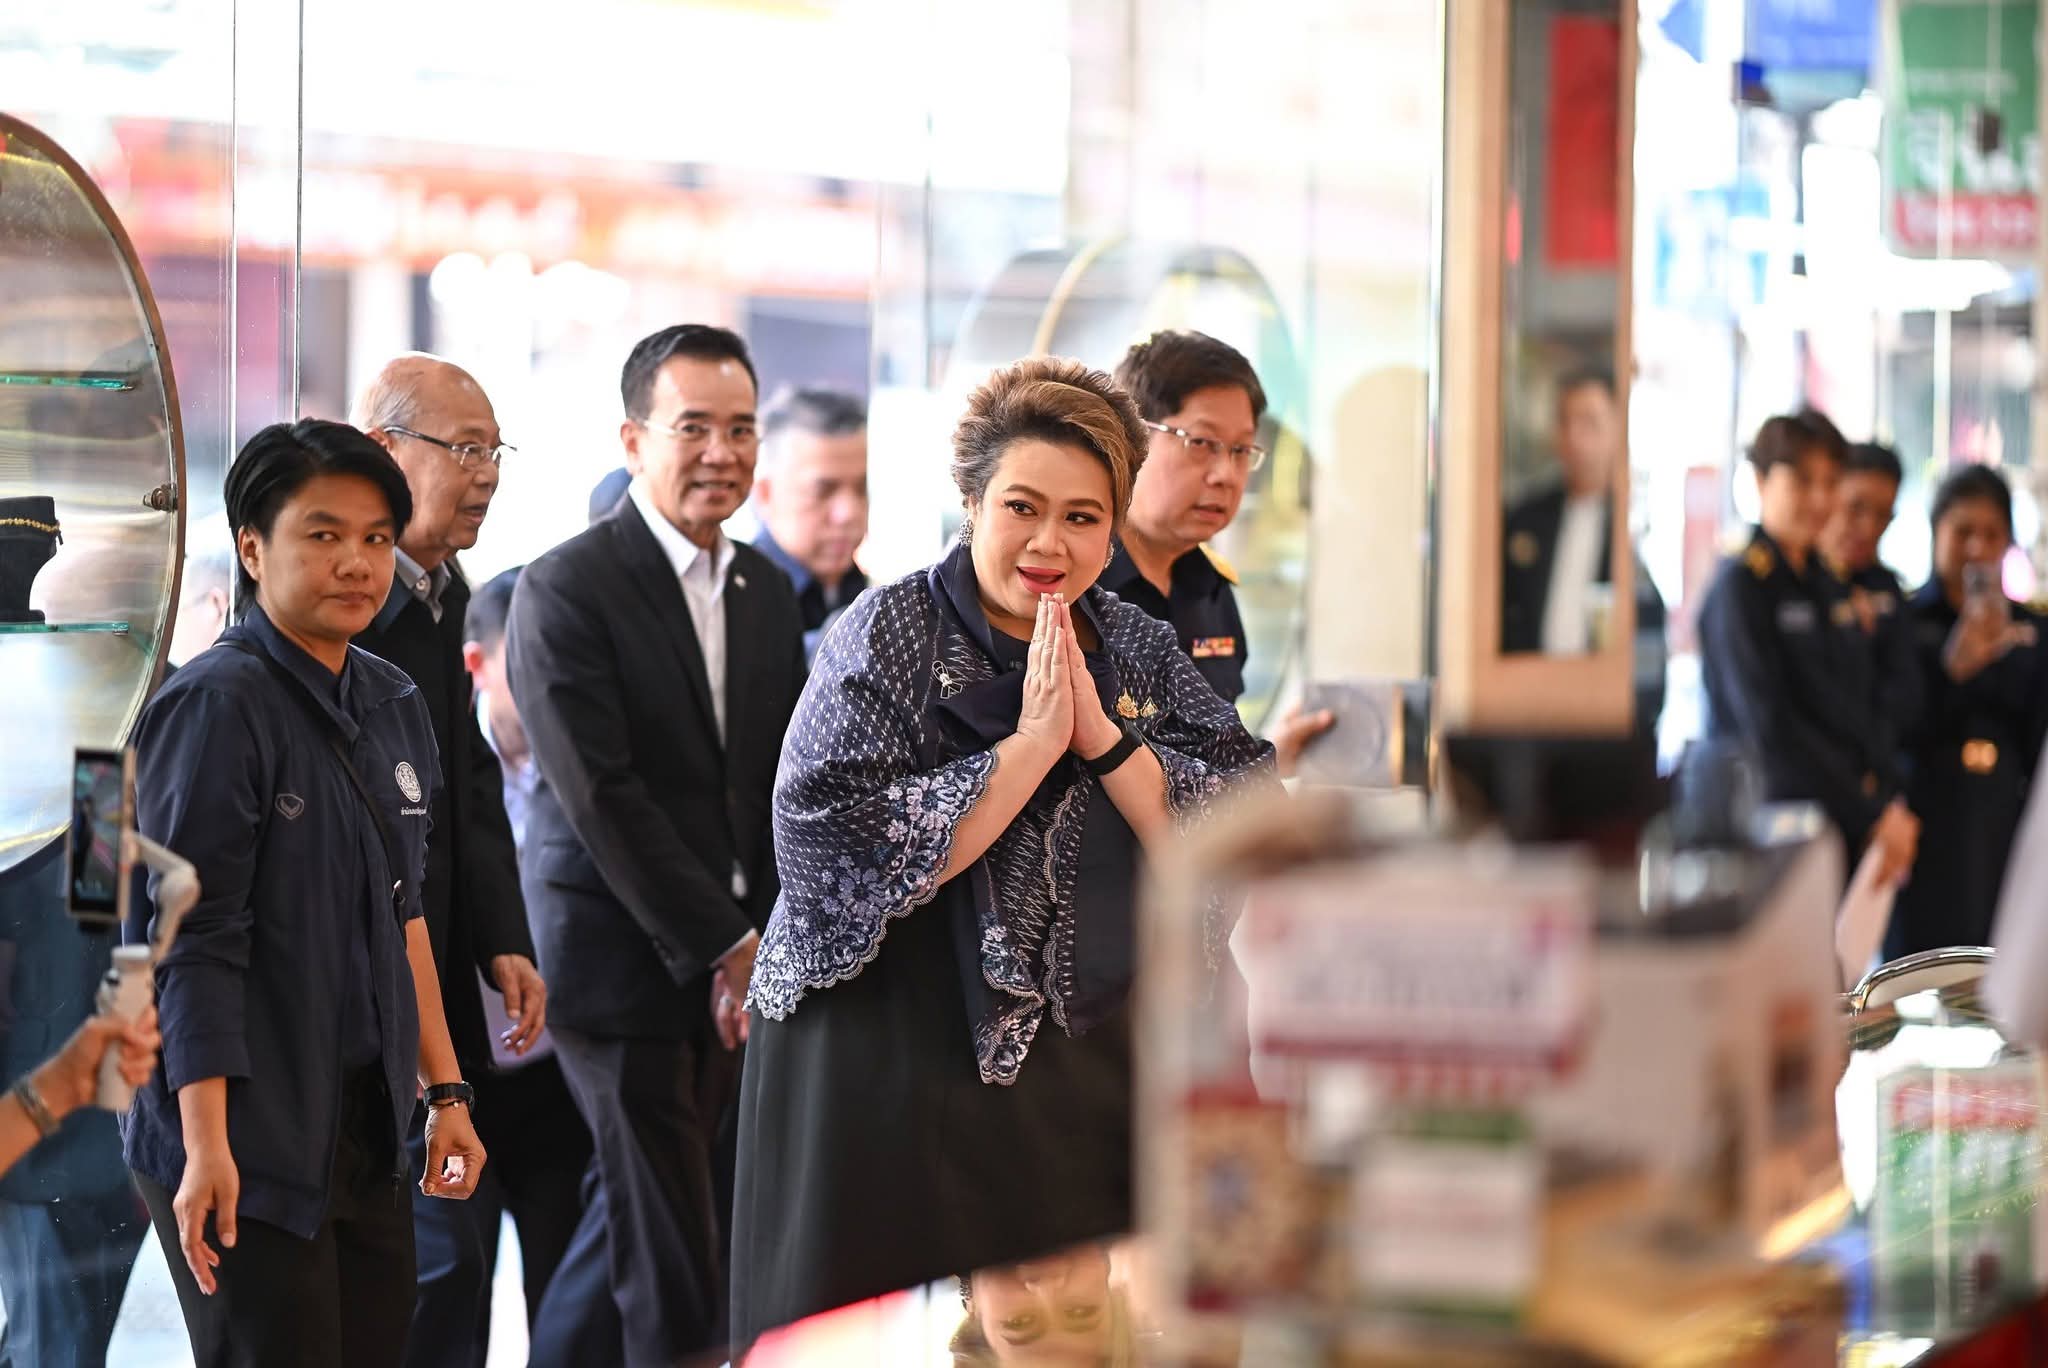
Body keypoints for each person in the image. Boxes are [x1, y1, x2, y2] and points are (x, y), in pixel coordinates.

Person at [729, 356, 1276, 1347]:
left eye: (1082, 517)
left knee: (1073, 1328)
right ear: (971, 501)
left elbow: (1241, 822)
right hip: (881, 1043)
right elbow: (825, 840)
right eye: (1021, 506)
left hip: (1070, 1054)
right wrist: (1024, 753)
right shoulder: (883, 633)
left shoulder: (1136, 642)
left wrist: (1104, 743)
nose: (1048, 543)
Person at [125, 420, 486, 1368]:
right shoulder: (215, 707)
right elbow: (189, 944)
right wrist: (205, 1149)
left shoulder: (393, 698)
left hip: (362, 1131)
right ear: (253, 546)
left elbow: (405, 910)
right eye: (322, 535)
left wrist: (444, 1090)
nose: (357, 563)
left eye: (374, 538)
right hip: (241, 1142)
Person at [506, 324, 807, 1364]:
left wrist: (761, 939)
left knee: (646, 1213)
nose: (722, 452)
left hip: (732, 956)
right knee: (678, 1248)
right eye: (694, 428)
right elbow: (603, 799)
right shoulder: (566, 586)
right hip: (617, 961)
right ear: (633, 439)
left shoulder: (765, 590)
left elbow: (777, 782)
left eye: (741, 429)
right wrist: (729, 944)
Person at [348, 355, 551, 1368]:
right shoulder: (351, 606)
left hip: (438, 994)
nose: (486, 474)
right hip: (362, 997)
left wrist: (503, 941)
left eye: (493, 451)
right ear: (385, 448)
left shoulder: (441, 590)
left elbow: (464, 782)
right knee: (429, 1266)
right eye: (463, 449)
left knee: (455, 1261)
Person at [456, 568, 600, 1362]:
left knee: (568, 1303)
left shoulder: (587, 769)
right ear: (477, 665)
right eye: (530, 664)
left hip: (556, 1076)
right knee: (451, 1293)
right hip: (455, 1079)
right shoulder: (444, 765)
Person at [1698, 413, 1918, 889]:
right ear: (1759, 481)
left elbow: (1854, 710)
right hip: (1770, 827)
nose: (1820, 499)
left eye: (1830, 482)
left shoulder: (1828, 583)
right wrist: (1867, 812)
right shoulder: (1742, 587)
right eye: (1801, 481)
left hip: (1839, 824)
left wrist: (1884, 803)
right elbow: (1769, 727)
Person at [1105, 330, 1330, 771]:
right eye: (1202, 443)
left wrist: (1270, 759)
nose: (1226, 474)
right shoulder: (1073, 586)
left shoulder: (1211, 588)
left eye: (1242, 450)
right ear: (1130, 438)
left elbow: (1203, 763)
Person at [1887, 466, 2048, 958]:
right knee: (1919, 974)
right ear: (1937, 532)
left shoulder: (2032, 629)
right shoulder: (1904, 622)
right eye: (1962, 531)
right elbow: (1895, 727)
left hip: (2008, 827)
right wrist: (1951, 671)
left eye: (1991, 533)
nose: (1976, 547)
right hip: (1925, 822)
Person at [1500, 367, 1668, 718]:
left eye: (1590, 422)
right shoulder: (1525, 519)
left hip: (1602, 719)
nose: (1575, 437)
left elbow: (1650, 636)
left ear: (1615, 430)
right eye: (1566, 421)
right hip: (1528, 709)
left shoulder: (1631, 522)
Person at [1818, 439, 1922, 782]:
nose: (1868, 528)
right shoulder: (1793, 585)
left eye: (1882, 516)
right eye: (1856, 508)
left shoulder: (1886, 590)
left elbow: (1906, 698)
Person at [751, 385, 869, 661]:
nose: (848, 512)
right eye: (823, 491)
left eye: (861, 488)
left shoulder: (865, 594)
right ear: (765, 494)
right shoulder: (739, 607)